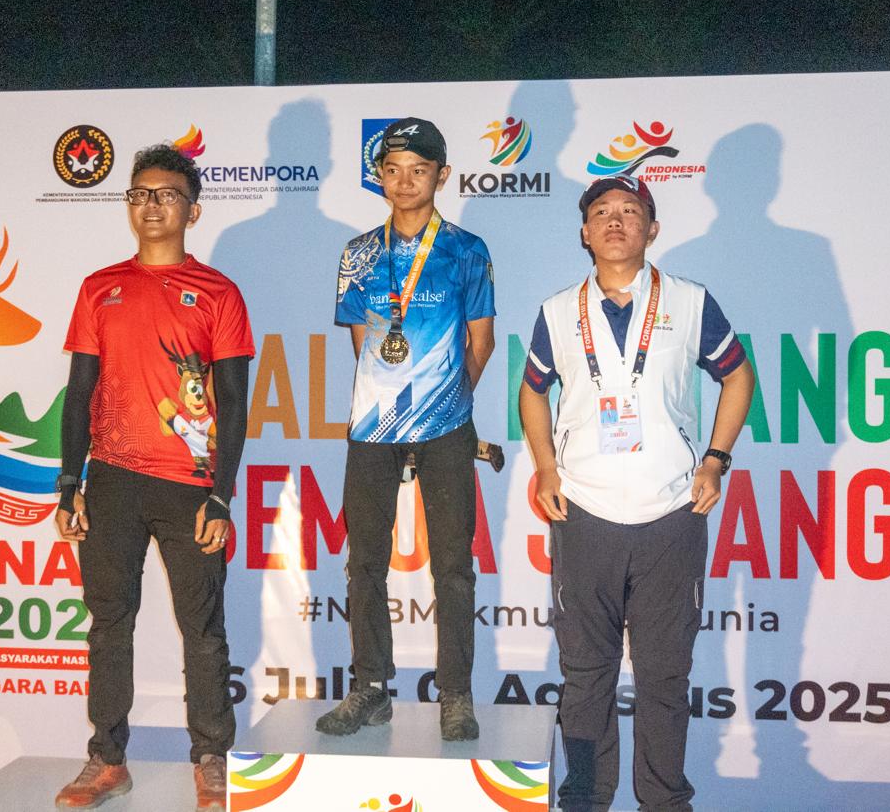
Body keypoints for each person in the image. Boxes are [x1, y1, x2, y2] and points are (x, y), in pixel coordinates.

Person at [518, 175, 754, 811]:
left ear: (652, 230)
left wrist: (715, 461)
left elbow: (738, 377)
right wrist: (546, 468)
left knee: (665, 676)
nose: (616, 221)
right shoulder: (558, 311)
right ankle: (586, 799)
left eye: (630, 211)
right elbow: (532, 391)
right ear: (585, 233)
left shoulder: (690, 302)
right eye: (602, 212)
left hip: (672, 512)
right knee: (585, 674)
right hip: (584, 511)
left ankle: (665, 802)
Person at [52, 144, 255, 810]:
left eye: (166, 195)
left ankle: (212, 759)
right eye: (140, 193)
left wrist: (221, 494)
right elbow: (79, 393)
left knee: (203, 627)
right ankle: (107, 759)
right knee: (109, 622)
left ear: (192, 210)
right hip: (111, 481)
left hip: (189, 486)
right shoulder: (98, 287)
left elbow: (233, 404)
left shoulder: (219, 293)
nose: (151, 205)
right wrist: (69, 484)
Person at [317, 117, 496, 741]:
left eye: (418, 170)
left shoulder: (467, 249)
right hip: (373, 423)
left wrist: (446, 401)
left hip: (447, 422)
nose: (404, 181)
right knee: (364, 561)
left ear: (441, 176)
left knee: (453, 565)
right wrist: (390, 399)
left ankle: (457, 694)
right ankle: (370, 688)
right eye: (392, 171)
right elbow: (362, 343)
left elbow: (481, 340)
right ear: (379, 177)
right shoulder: (358, 253)